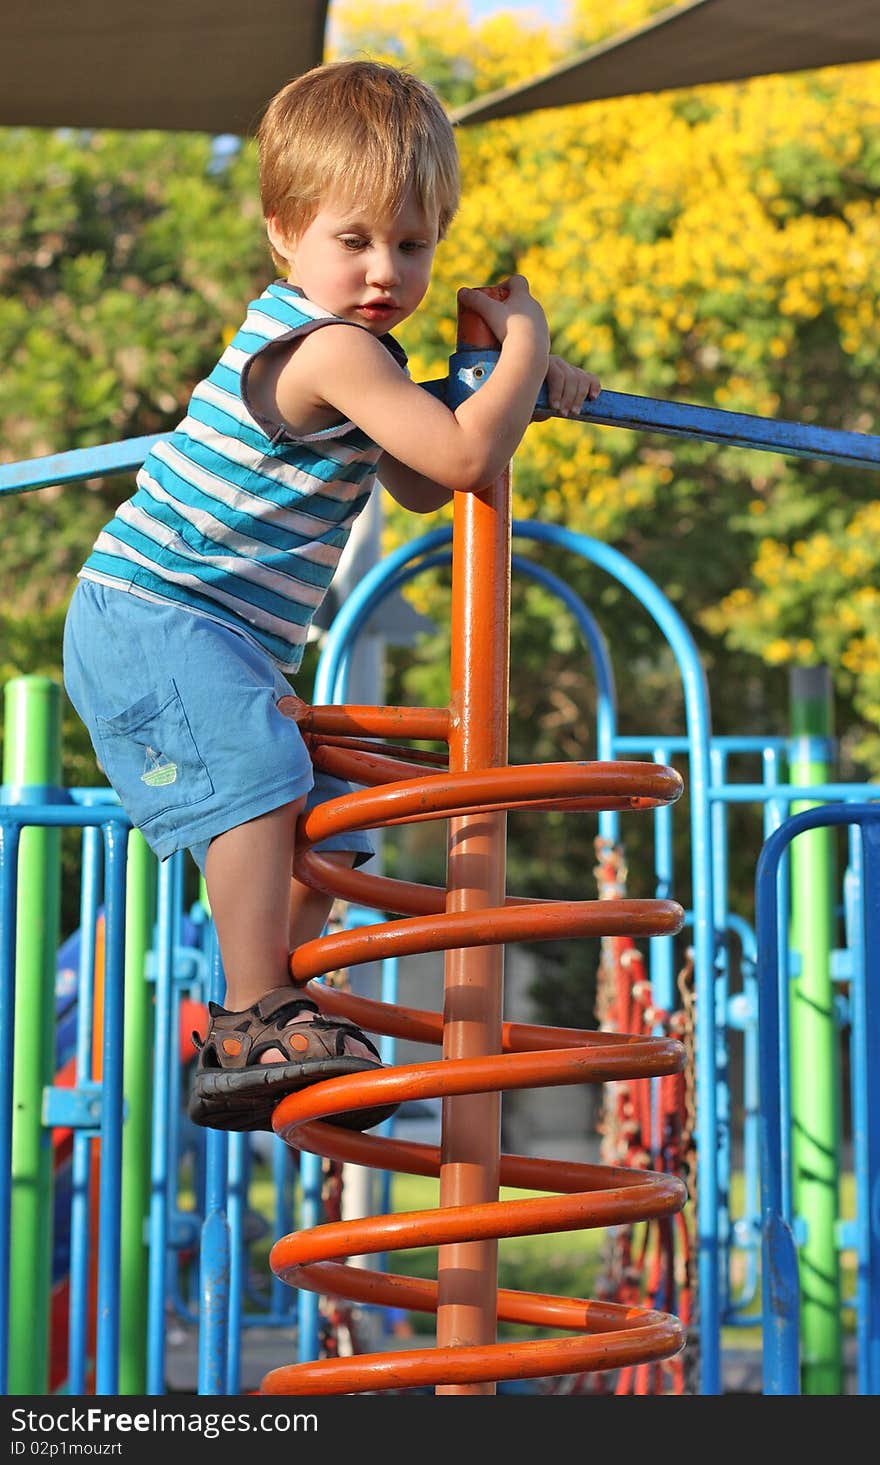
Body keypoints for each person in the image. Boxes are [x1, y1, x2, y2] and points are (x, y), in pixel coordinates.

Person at [62, 59, 600, 1135]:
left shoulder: (367, 356)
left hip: (217, 635)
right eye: (352, 241)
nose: (383, 270)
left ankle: (269, 1026)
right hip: (157, 614)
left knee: (336, 828)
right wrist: (525, 340)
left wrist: (498, 383)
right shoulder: (330, 348)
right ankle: (251, 1009)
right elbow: (451, 462)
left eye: (412, 243)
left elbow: (408, 475)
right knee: (263, 784)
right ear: (283, 236)